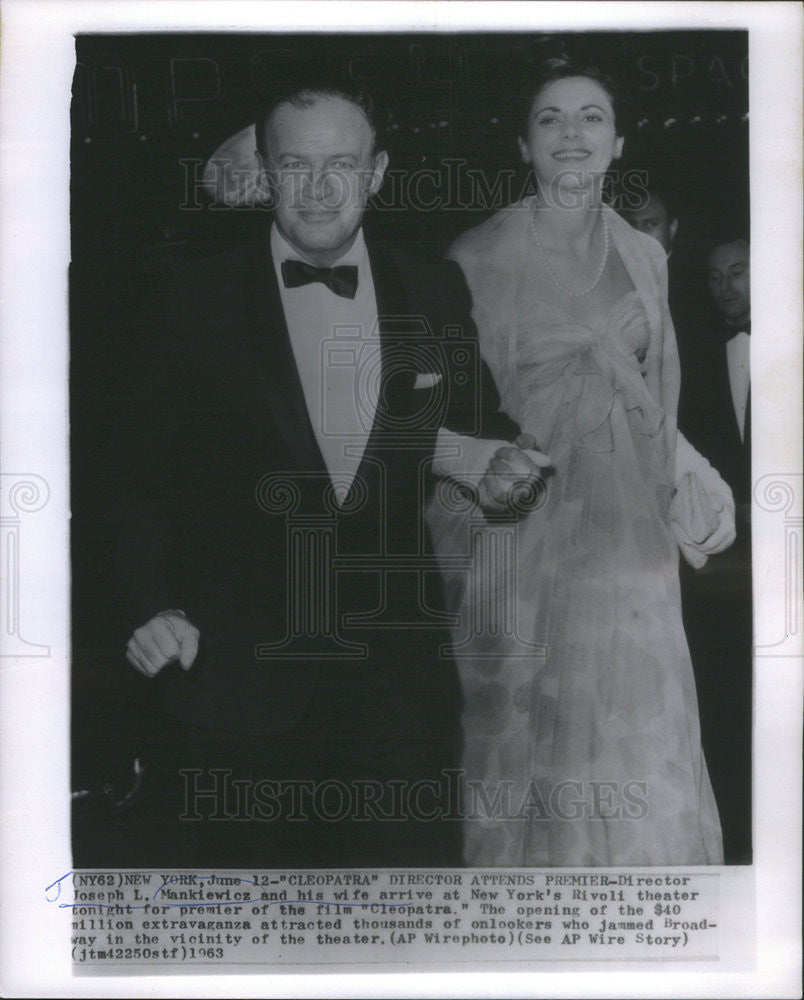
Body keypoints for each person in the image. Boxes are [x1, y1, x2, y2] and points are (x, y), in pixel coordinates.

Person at [111, 78, 542, 869]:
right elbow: (129, 481)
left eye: (340, 165)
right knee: (245, 952)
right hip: (232, 686)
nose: (318, 189)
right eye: (296, 165)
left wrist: (506, 469)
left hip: (398, 695)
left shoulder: (432, 290)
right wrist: (148, 605)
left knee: (407, 942)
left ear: (375, 173)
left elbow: (481, 432)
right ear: (265, 173)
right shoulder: (187, 300)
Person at [426, 58, 735, 866]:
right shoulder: (472, 258)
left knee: (636, 720)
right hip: (517, 534)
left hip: (628, 536)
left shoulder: (648, 257)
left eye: (591, 117)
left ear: (619, 140)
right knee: (525, 730)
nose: (572, 134)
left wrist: (688, 488)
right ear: (523, 145)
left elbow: (660, 396)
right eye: (550, 119)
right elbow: (452, 419)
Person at [677, 234, 752, 862]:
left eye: (739, 272)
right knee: (726, 704)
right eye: (714, 276)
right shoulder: (697, 359)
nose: (726, 286)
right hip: (725, 570)